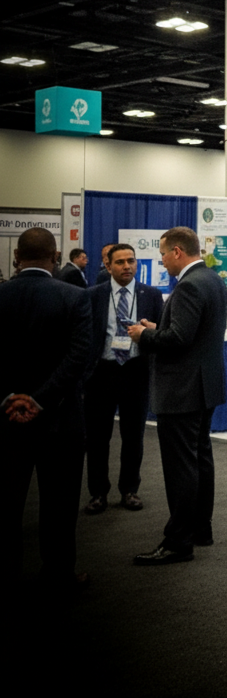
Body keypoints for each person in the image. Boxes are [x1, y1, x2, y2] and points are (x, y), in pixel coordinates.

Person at [126, 227, 227, 565]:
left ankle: (178, 542)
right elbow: (192, 333)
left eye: (163, 254)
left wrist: (143, 335)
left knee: (181, 467)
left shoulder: (188, 286)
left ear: (178, 252)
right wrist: (158, 329)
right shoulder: (212, 279)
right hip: (203, 386)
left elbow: (179, 340)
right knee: (200, 459)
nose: (161, 261)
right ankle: (200, 529)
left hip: (182, 390)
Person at [0, 227, 93, 587]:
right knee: (60, 504)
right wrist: (40, 400)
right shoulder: (75, 297)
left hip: (6, 421)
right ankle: (58, 575)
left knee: (6, 505)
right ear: (56, 257)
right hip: (61, 420)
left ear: (16, 257)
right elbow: (79, 358)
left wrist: (11, 398)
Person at [82, 244, 164, 515]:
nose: (127, 266)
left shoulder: (152, 295)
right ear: (108, 266)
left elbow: (161, 333)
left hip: (135, 372)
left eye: (131, 260)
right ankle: (98, 493)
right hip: (101, 374)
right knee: (97, 438)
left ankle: (129, 489)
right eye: (120, 262)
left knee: (133, 437)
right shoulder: (93, 295)